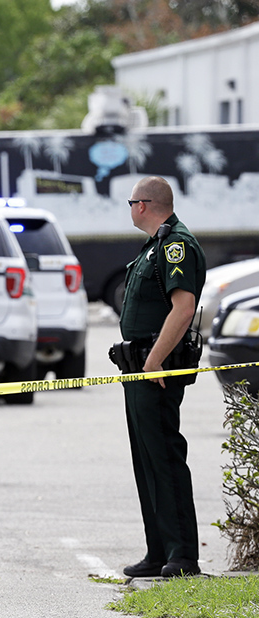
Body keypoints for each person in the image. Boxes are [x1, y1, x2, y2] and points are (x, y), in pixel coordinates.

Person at [119, 176, 206, 579]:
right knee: (147, 461)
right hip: (139, 369)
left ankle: (182, 554)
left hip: (156, 370)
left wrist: (154, 360)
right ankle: (159, 551)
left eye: (131, 202)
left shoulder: (176, 245)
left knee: (165, 458)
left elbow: (183, 308)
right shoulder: (155, 245)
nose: (130, 209)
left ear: (142, 205)